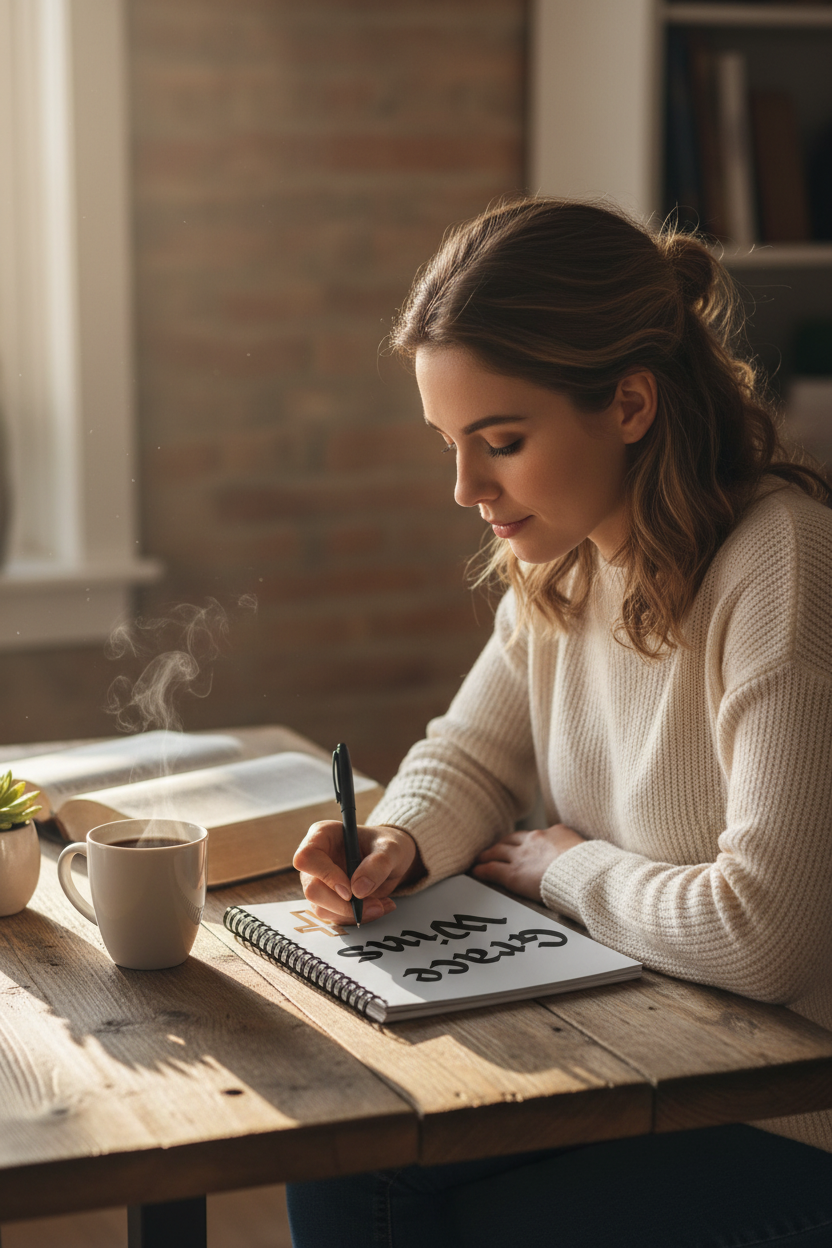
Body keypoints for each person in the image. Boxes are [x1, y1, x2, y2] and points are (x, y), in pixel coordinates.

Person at [287, 198, 832, 1247]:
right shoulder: (564, 561)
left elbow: (766, 938)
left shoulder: (784, 565)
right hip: (648, 1052)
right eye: (449, 443)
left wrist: (564, 870)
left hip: (790, 1112)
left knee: (477, 1222)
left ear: (628, 403)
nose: (463, 486)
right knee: (345, 1156)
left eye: (499, 440)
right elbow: (474, 756)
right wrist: (394, 844)